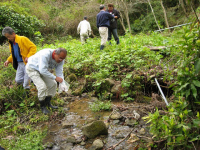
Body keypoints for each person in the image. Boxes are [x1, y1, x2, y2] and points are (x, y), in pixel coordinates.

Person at [26, 48, 67, 114]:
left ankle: (48, 103)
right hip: (32, 69)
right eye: (60, 58)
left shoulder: (61, 60)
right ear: (54, 53)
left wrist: (62, 83)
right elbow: (42, 70)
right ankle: (42, 106)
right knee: (42, 87)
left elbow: (59, 72)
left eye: (63, 59)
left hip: (43, 70)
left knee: (53, 84)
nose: (61, 60)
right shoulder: (45, 54)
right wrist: (55, 77)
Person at [2, 27, 37, 95]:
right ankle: (31, 81)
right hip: (19, 63)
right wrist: (8, 60)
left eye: (9, 36)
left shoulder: (22, 39)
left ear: (13, 33)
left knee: (27, 81)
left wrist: (28, 56)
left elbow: (33, 47)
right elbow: (13, 54)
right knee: (18, 80)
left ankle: (27, 93)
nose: (8, 39)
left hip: (27, 63)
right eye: (7, 37)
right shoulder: (11, 43)